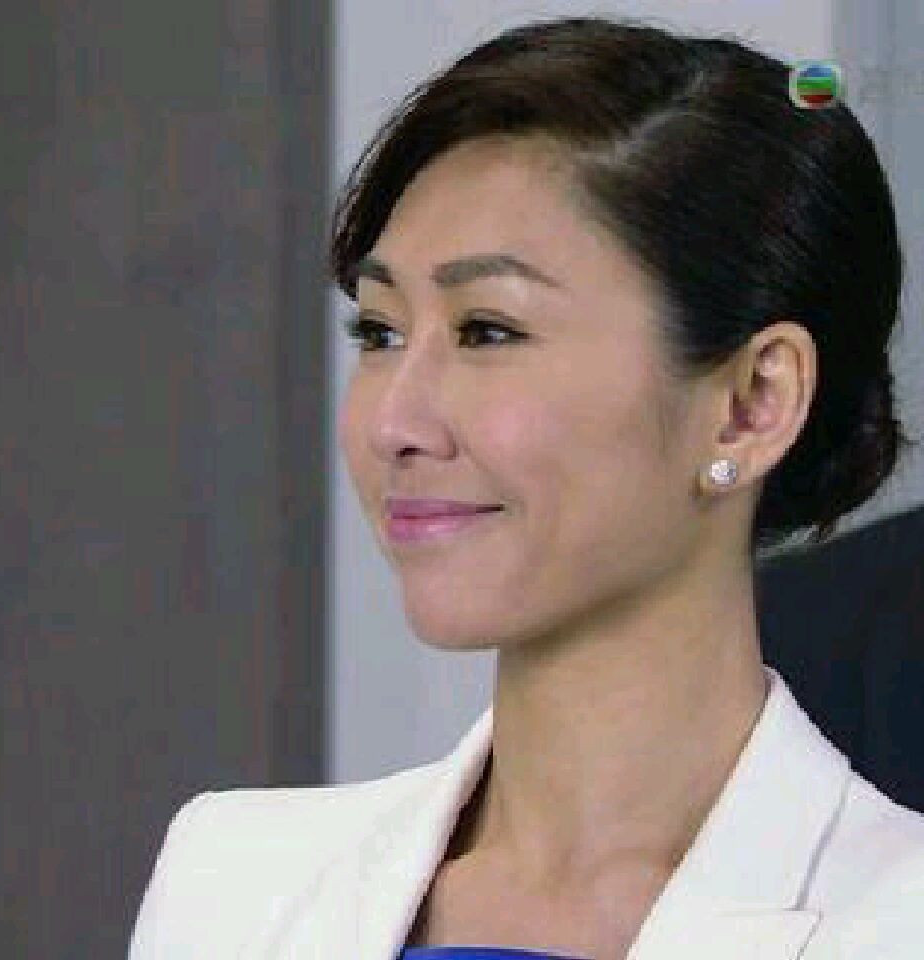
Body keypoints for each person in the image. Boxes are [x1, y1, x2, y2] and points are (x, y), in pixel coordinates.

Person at [127, 14, 924, 960]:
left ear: (752, 404)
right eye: (380, 333)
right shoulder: (234, 881)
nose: (394, 424)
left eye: (488, 331)